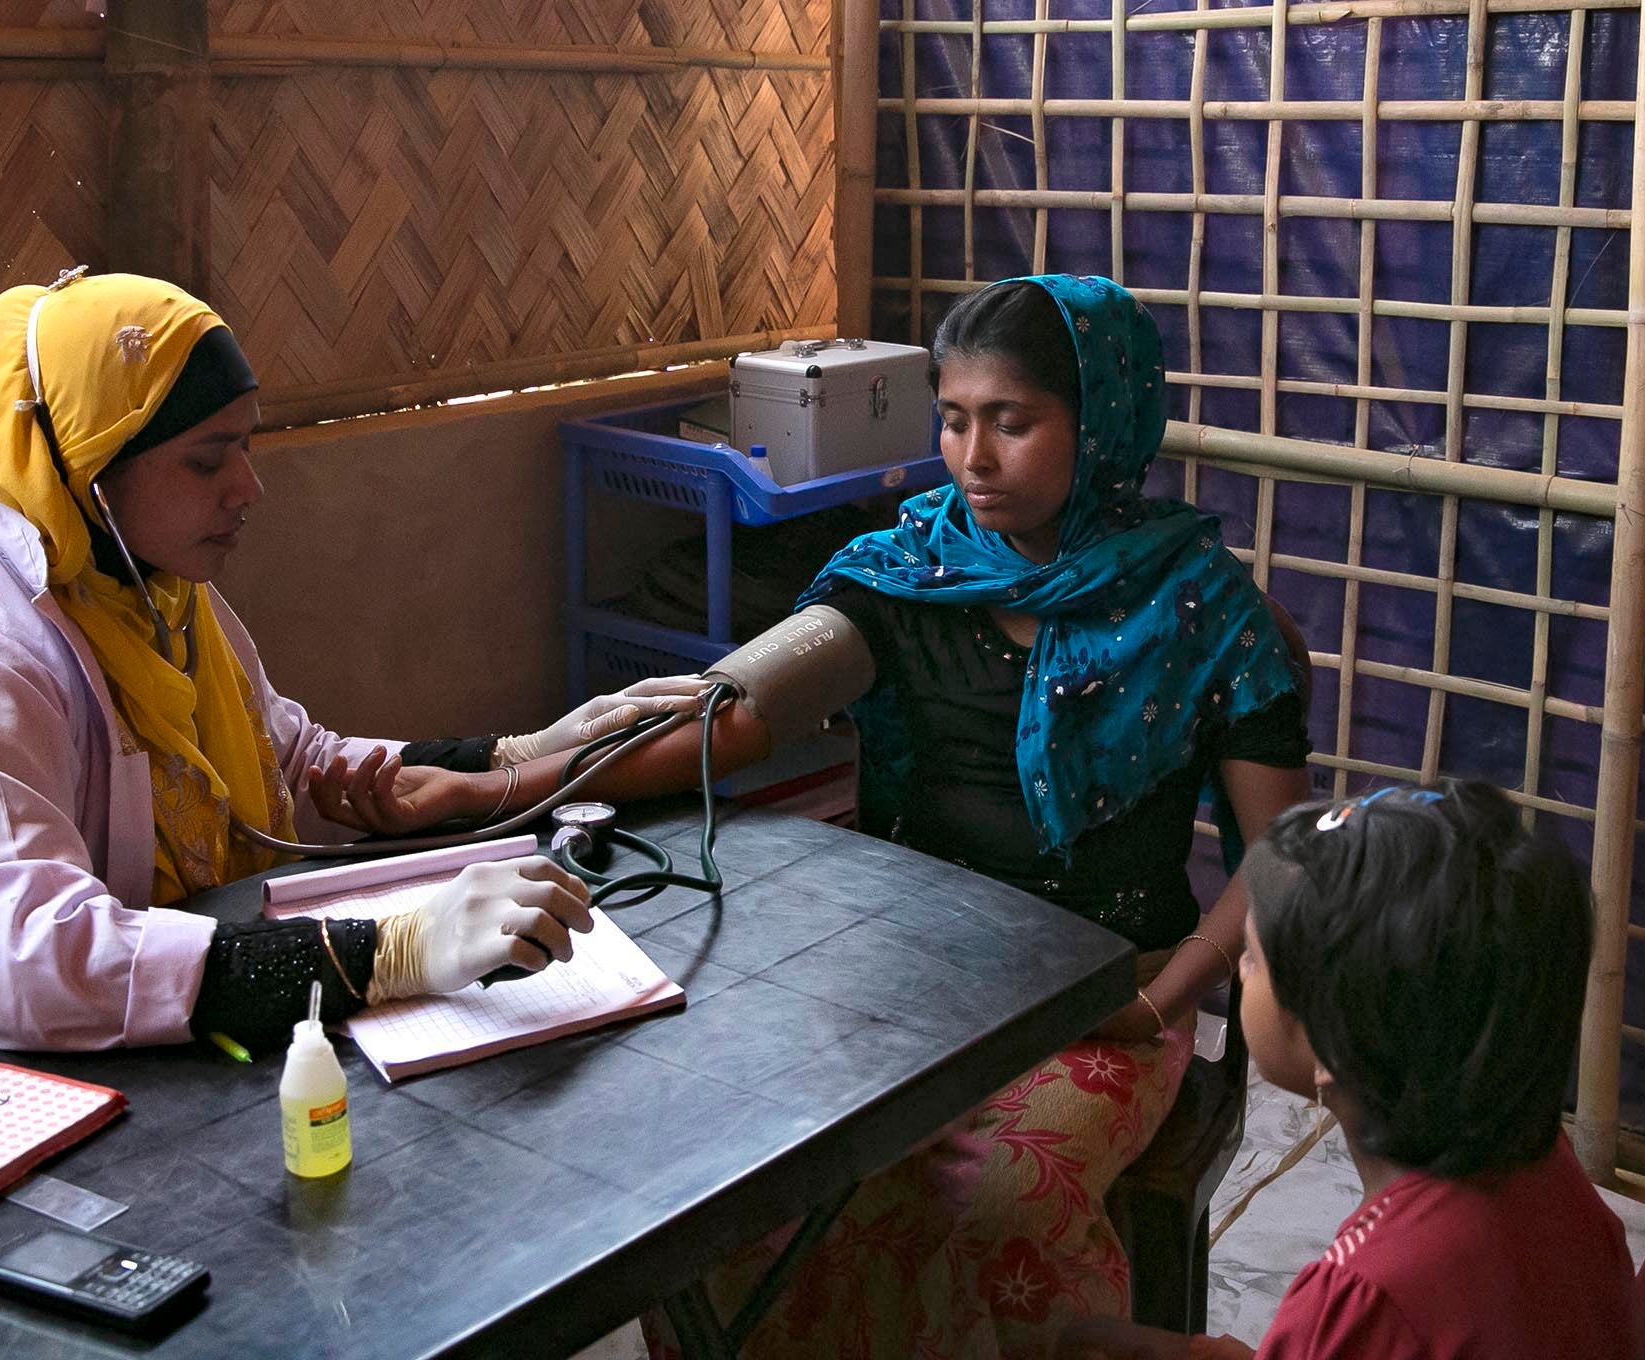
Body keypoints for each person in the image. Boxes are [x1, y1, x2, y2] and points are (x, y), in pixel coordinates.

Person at [395, 274, 1311, 1355]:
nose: (973, 457)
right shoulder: (907, 571)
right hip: (907, 985)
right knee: (744, 1184)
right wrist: (497, 784)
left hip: (1105, 1002)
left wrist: (1166, 996)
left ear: (1101, 422)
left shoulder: (1205, 609)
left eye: (1014, 423)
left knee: (997, 1205)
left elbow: (1280, 856)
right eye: (956, 418)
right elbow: (731, 721)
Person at [0, 269, 703, 1053]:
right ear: (91, 469)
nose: (247, 488)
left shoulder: (145, 588)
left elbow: (290, 762)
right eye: (206, 459)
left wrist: (517, 750)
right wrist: (384, 952)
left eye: (247, 447)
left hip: (99, 1033)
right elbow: (34, 962)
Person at [1062, 780, 1634, 1359]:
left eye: (1254, 957)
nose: (1238, 968)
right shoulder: (1547, 1172)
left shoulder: (1370, 1294)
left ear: (1336, 1048)